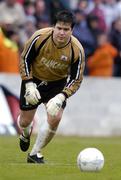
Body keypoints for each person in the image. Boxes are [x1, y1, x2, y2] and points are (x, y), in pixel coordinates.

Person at [17, 10, 85, 163]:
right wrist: (28, 84)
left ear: (71, 31)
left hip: (57, 84)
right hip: (34, 79)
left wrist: (62, 96)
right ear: (53, 26)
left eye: (66, 29)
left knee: (56, 117)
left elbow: (76, 79)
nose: (61, 32)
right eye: (59, 28)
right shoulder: (39, 37)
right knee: (24, 122)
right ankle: (25, 133)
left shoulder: (77, 50)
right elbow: (24, 59)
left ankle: (35, 153)